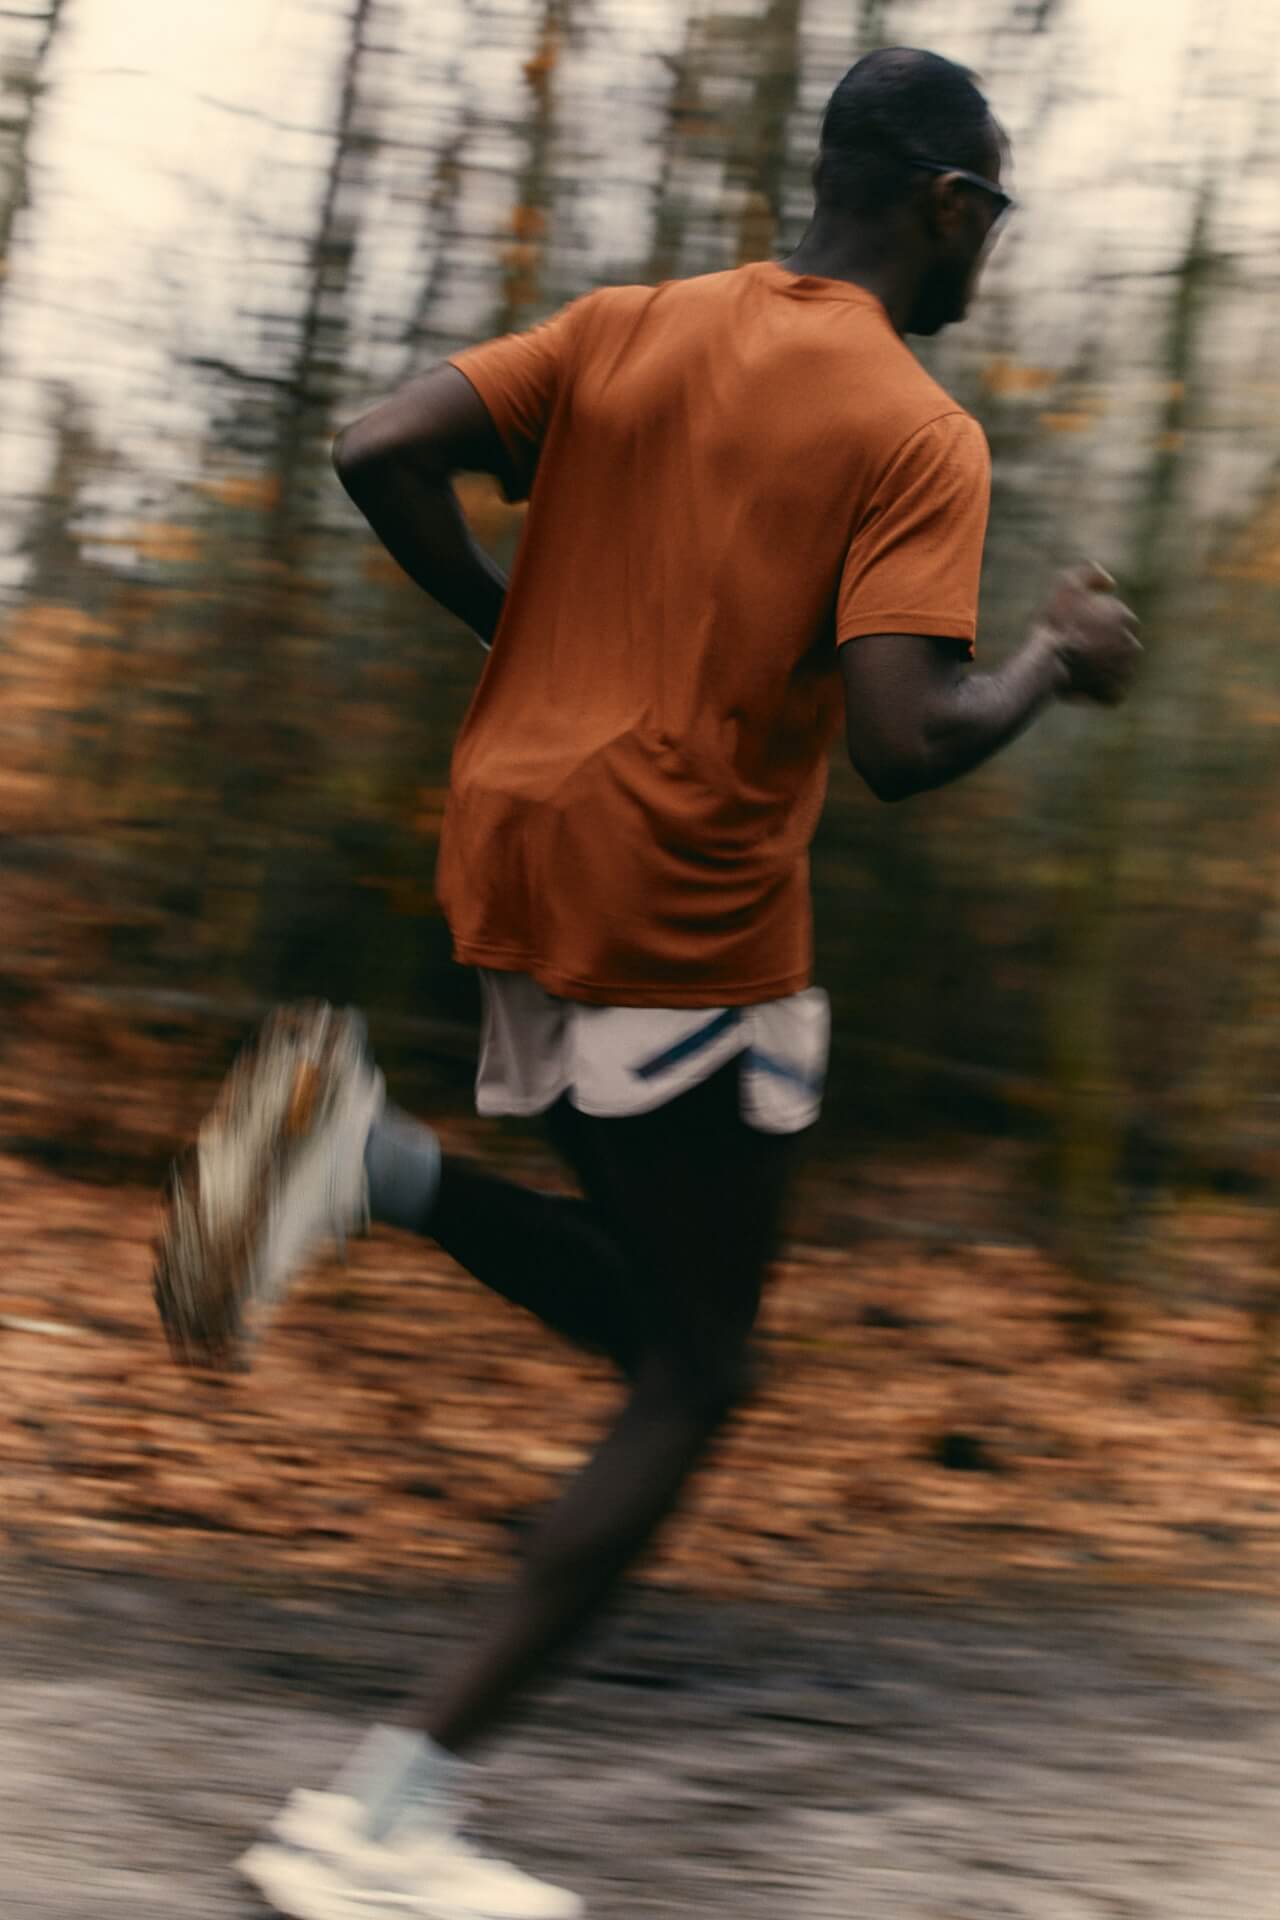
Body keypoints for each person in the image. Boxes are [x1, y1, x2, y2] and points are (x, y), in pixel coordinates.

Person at [158, 45, 1140, 1920]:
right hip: (680, 885)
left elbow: (376, 446)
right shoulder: (913, 426)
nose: (995, 250)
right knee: (697, 1376)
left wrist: (518, 628)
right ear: (945, 206)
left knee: (662, 1318)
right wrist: (1053, 662)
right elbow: (905, 746)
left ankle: (369, 1164)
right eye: (994, 213)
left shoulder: (629, 327)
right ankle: (376, 1822)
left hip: (512, 845)